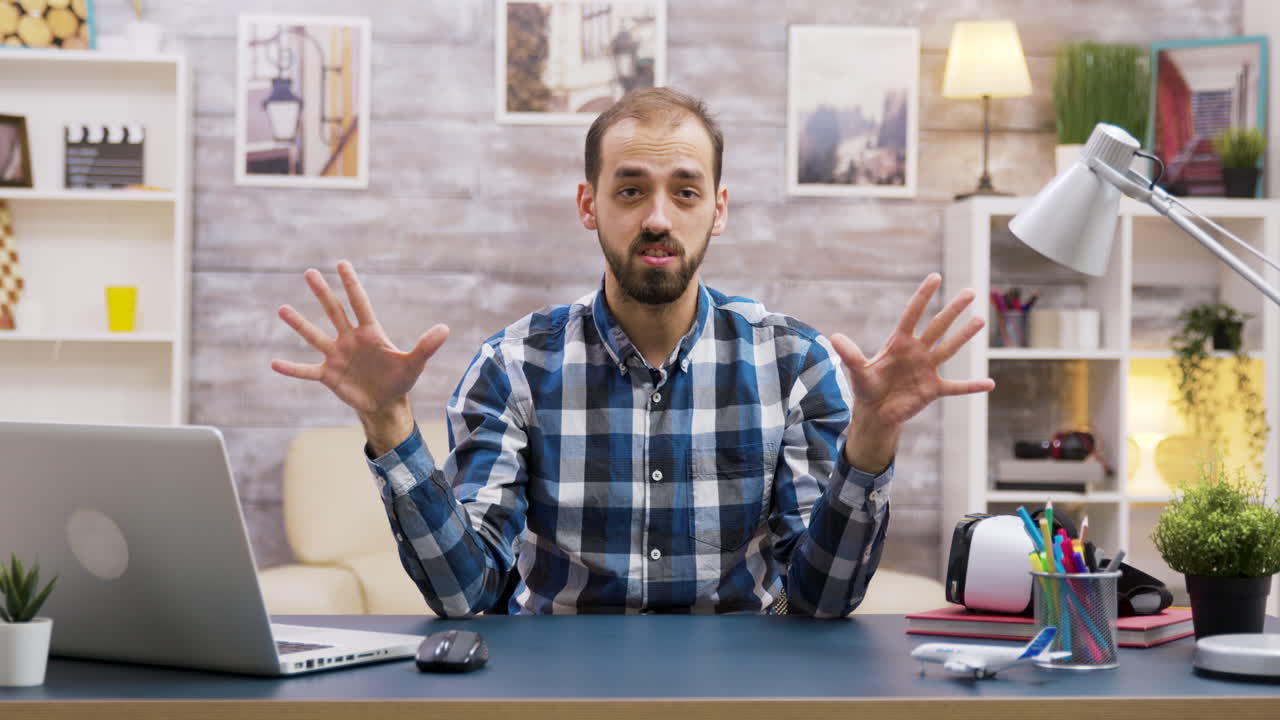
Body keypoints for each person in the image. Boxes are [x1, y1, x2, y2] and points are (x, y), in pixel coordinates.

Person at [272, 88, 993, 618]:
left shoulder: (794, 365)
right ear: (590, 206)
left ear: (719, 208)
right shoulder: (512, 368)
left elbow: (823, 598)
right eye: (631, 190)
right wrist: (389, 423)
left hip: (744, 691)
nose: (657, 217)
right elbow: (465, 594)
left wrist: (873, 441)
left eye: (685, 191)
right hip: (556, 694)